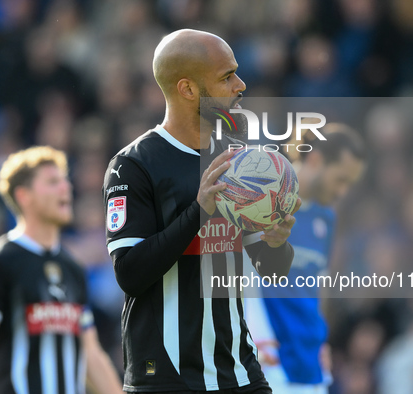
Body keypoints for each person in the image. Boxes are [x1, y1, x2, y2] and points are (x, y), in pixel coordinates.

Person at [103, 29, 300, 393]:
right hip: (166, 379)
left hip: (240, 373)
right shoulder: (133, 165)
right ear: (188, 89)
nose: (241, 85)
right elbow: (129, 273)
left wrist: (276, 242)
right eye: (227, 77)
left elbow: (273, 270)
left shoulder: (243, 161)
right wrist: (198, 211)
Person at [0, 146, 123, 394]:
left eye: (65, 181)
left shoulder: (73, 268)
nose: (65, 188)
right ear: (24, 195)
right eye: (52, 182)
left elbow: (90, 352)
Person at [246, 124, 366, 394]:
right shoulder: (261, 202)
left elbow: (316, 285)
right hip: (268, 360)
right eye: (340, 179)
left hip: (310, 362)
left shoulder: (326, 217)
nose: (343, 192)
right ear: (315, 160)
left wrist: (319, 338)